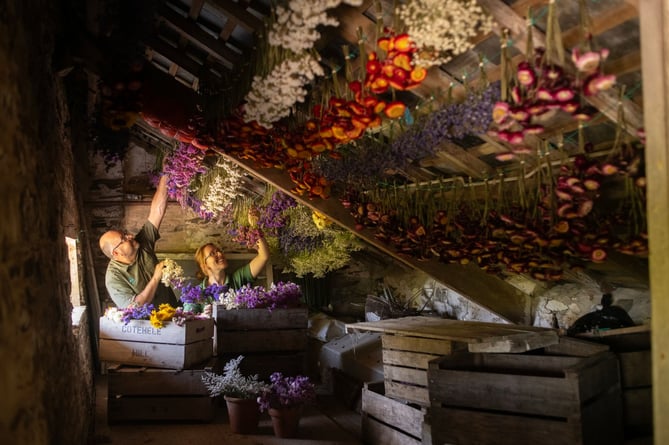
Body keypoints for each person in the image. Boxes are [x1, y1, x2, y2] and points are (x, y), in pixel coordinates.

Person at [98, 173, 178, 309]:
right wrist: (156, 277)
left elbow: (156, 211)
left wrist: (166, 174)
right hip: (147, 326)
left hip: (173, 312)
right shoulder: (114, 278)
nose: (130, 236)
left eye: (125, 234)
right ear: (116, 253)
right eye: (123, 239)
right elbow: (134, 307)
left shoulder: (142, 242)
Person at [194, 208, 270, 290]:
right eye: (212, 253)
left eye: (219, 251)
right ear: (204, 265)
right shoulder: (198, 294)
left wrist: (255, 226)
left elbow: (263, 257)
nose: (220, 254)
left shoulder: (237, 279)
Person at [567, 293, 635, 336]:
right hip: (604, 331)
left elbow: (629, 325)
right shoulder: (599, 313)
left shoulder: (615, 311)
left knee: (597, 330)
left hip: (608, 331)